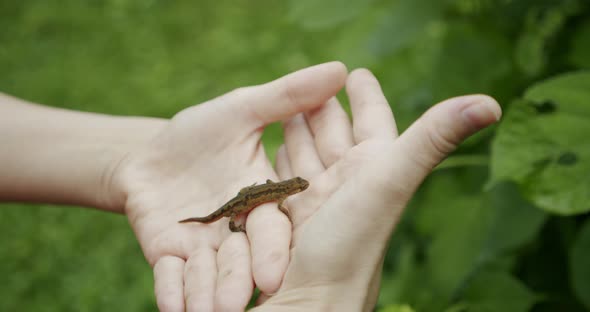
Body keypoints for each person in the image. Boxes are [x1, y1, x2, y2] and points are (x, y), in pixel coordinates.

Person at [0, 62, 501, 311]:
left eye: (296, 188)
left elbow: (275, 191)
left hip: (245, 196)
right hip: (238, 201)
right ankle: (224, 218)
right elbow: (268, 195)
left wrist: (139, 157)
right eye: (297, 187)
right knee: (222, 215)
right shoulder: (280, 194)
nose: (298, 189)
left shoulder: (284, 191)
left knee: (230, 212)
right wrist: (244, 211)